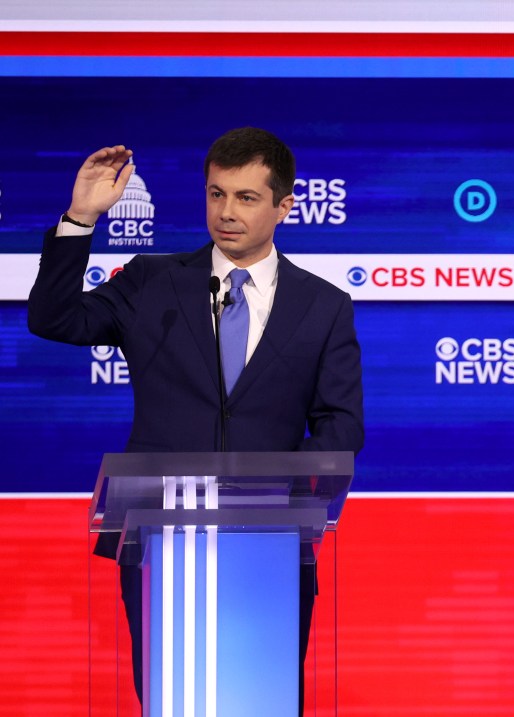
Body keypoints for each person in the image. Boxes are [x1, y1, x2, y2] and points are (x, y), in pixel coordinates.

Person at [28, 127, 364, 709]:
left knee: (265, 698)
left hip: (273, 544)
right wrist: (80, 219)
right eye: (216, 194)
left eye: (246, 198)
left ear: (285, 206)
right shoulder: (153, 282)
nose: (225, 212)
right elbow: (56, 320)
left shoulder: (324, 305)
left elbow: (340, 421)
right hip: (161, 538)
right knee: (172, 697)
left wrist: (296, 502)